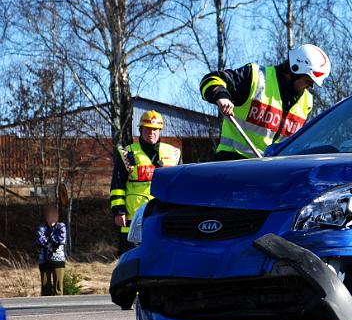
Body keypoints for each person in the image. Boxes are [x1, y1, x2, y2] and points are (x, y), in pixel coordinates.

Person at [199, 44, 331, 160]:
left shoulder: (307, 102)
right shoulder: (256, 77)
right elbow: (212, 79)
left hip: (270, 172)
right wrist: (222, 96)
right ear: (294, 70)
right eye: (308, 81)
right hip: (233, 163)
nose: (309, 87)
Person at [109, 110, 182, 254]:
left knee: (163, 255)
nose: (151, 132)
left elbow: (180, 186)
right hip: (134, 217)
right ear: (141, 129)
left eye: (155, 129)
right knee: (134, 257)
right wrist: (118, 211)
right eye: (148, 128)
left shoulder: (173, 154)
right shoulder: (127, 154)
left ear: (160, 131)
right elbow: (117, 185)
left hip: (164, 213)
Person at [36, 205, 67, 296]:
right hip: (44, 261)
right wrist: (51, 240)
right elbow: (40, 241)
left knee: (58, 288)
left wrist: (48, 240)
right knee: (45, 287)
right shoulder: (41, 227)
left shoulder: (61, 226)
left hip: (58, 261)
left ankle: (58, 307)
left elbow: (61, 240)